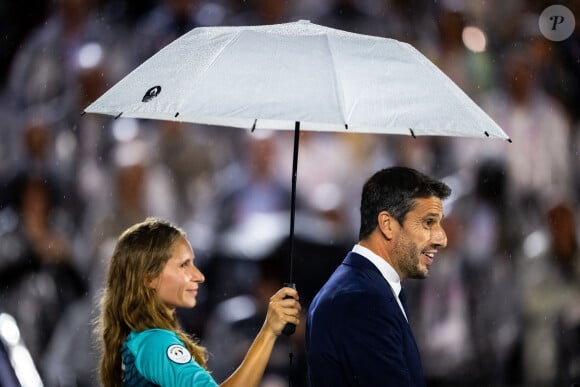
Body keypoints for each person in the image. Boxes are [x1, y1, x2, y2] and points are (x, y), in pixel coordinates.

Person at [96, 217, 301, 387]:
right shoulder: (156, 343)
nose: (198, 276)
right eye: (183, 265)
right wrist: (268, 332)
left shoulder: (137, 337)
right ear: (149, 278)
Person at [306, 166, 451, 386]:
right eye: (428, 222)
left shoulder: (370, 288)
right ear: (387, 225)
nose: (442, 238)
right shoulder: (360, 300)